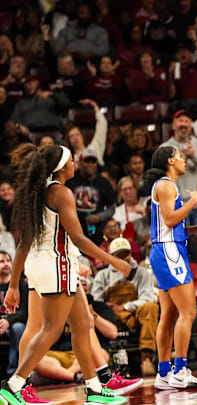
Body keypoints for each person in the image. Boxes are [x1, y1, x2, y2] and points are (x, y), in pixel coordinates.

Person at [0, 144, 129, 404]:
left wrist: (14, 285)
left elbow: (24, 243)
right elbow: (79, 239)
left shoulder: (37, 193)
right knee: (51, 329)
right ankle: (14, 385)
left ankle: (93, 388)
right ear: (61, 167)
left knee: (82, 325)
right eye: (72, 160)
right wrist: (114, 260)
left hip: (43, 263)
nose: (75, 164)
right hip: (56, 263)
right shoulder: (61, 193)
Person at [144, 146, 197, 390]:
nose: (184, 160)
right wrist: (193, 202)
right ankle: (180, 370)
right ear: (170, 160)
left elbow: (173, 225)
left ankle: (163, 373)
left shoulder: (165, 186)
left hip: (166, 249)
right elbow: (171, 219)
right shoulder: (166, 185)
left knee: (168, 315)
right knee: (188, 312)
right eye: (180, 156)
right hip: (170, 252)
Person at [91, 238, 159, 376]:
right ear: (111, 256)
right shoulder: (102, 276)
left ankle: (146, 357)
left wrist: (125, 306)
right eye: (119, 255)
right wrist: (106, 302)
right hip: (111, 317)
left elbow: (148, 297)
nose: (123, 258)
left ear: (130, 254)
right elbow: (95, 301)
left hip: (132, 315)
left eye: (125, 254)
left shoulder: (142, 273)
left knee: (151, 307)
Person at [160, 110, 197, 226]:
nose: (184, 124)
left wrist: (194, 156)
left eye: (187, 122)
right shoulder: (165, 148)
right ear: (174, 125)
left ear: (191, 126)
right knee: (181, 243)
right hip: (177, 206)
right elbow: (166, 174)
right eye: (181, 121)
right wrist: (185, 157)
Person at [0, 251, 27, 376]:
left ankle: (13, 373)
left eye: (8, 261)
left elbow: (24, 311)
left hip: (14, 324)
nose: (6, 264)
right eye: (2, 262)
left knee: (18, 328)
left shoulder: (20, 284)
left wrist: (8, 322)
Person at [64, 99, 108, 167]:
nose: (75, 137)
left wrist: (95, 106)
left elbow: (102, 125)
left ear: (82, 136)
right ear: (69, 141)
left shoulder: (94, 148)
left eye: (77, 134)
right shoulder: (69, 160)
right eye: (71, 136)